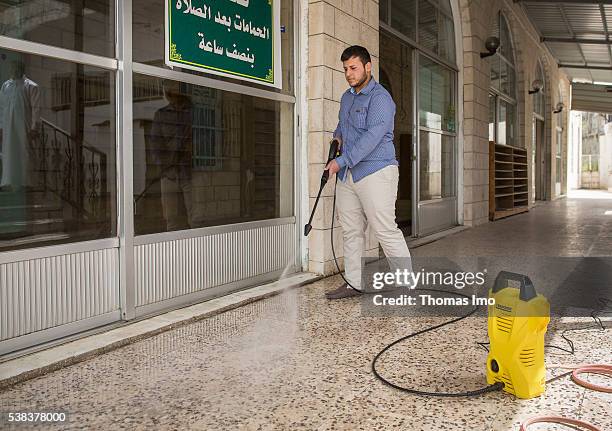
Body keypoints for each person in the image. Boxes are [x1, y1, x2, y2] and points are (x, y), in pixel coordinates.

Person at [324, 45, 412, 300]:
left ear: (367, 67)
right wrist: (337, 138)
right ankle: (352, 283)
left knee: (385, 229)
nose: (349, 74)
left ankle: (406, 285)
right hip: (349, 172)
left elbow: (373, 137)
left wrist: (341, 162)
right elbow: (343, 124)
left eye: (353, 68)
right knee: (351, 231)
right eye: (345, 69)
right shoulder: (346, 97)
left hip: (376, 170)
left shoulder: (381, 98)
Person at [149, 80, 194, 231]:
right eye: (167, 87)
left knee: (196, 219)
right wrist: (165, 168)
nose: (170, 91)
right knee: (171, 219)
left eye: (173, 86)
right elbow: (155, 146)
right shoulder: (161, 115)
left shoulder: (193, 113)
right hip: (169, 173)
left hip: (190, 172)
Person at [0, 59, 40, 191]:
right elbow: (1, 107)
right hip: (8, 126)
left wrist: (34, 127)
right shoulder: (6, 86)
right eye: (12, 67)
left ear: (22, 68)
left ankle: (26, 183)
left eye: (16, 67)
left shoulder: (31, 86)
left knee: (24, 152)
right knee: (9, 152)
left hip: (24, 125)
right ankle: (8, 181)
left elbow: (36, 109)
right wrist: (1, 127)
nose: (13, 70)